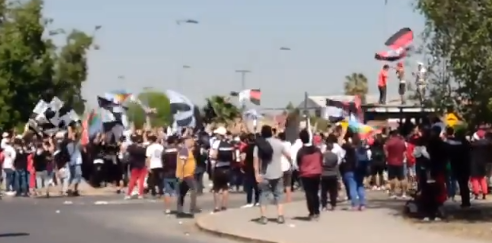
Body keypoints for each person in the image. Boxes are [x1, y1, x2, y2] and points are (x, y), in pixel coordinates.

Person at [254, 125, 292, 225]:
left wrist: (256, 173)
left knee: (263, 194)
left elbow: (256, 161)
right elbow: (288, 155)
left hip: (264, 174)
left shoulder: (259, 145)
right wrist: (290, 164)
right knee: (279, 194)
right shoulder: (278, 143)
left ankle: (264, 217)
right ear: (271, 132)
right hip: (278, 173)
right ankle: (280, 216)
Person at [297, 129, 323, 219]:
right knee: (315, 193)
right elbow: (321, 160)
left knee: (309, 194)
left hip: (305, 174)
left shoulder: (301, 151)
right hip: (317, 173)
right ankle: (317, 211)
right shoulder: (317, 150)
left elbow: (298, 163)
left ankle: (312, 212)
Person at [209, 126, 235, 212]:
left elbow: (213, 155)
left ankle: (217, 206)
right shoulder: (229, 143)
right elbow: (233, 157)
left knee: (216, 188)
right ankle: (224, 206)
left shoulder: (216, 143)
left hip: (218, 168)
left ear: (219, 135)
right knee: (225, 187)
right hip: (227, 168)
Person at [341, 135, 366, 210]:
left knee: (352, 187)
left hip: (350, 170)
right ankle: (362, 204)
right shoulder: (362, 149)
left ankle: (355, 204)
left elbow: (343, 145)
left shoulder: (350, 149)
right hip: (360, 170)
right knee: (360, 186)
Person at [176, 135, 199, 217]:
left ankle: (180, 211)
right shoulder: (184, 151)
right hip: (186, 175)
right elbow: (182, 163)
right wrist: (181, 176)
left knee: (182, 193)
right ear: (186, 142)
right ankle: (192, 209)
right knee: (194, 190)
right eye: (190, 141)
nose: (192, 142)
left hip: (187, 175)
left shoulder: (187, 151)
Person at [385, 130, 407, 199]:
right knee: (402, 178)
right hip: (400, 161)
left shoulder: (389, 142)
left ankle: (393, 193)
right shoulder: (401, 142)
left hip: (391, 161)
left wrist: (388, 158)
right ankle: (404, 193)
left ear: (391, 135)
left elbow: (386, 153)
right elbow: (404, 152)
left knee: (392, 178)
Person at [470, 130, 490, 200]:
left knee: (475, 179)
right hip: (483, 162)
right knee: (482, 178)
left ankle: (476, 193)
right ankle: (484, 193)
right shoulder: (488, 144)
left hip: (474, 162)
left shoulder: (474, 144)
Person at [125, 134, 147, 199]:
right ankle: (140, 194)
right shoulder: (144, 149)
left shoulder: (132, 148)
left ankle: (128, 194)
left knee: (132, 180)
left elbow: (128, 151)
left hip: (134, 165)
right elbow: (146, 156)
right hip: (142, 165)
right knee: (141, 181)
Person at [241, 133, 260, 207]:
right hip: (257, 167)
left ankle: (249, 201)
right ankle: (257, 200)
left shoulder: (246, 148)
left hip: (248, 168)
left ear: (247, 140)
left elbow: (242, 158)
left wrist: (242, 166)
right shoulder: (257, 147)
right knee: (257, 185)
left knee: (249, 186)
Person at [162, 135, 179, 214]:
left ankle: (168, 209)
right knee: (176, 191)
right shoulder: (179, 149)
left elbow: (162, 161)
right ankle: (178, 208)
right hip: (177, 172)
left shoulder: (165, 150)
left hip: (167, 172)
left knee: (167, 192)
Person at [321, 142, 339, 211]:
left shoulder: (323, 155)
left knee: (324, 191)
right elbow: (336, 164)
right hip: (333, 174)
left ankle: (324, 205)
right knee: (333, 191)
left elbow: (321, 164)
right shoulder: (334, 156)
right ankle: (333, 205)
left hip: (324, 174)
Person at [146, 133, 164, 197]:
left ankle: (154, 192)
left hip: (153, 165)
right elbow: (163, 156)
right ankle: (161, 191)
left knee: (152, 179)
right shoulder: (161, 147)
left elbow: (148, 158)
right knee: (160, 179)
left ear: (151, 140)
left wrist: (148, 167)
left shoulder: (149, 147)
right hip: (160, 164)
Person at [278, 132, 293, 203]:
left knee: (279, 184)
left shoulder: (278, 145)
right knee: (288, 184)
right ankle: (289, 199)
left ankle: (279, 199)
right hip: (287, 165)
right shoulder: (289, 144)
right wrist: (291, 163)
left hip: (279, 166)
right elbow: (289, 155)